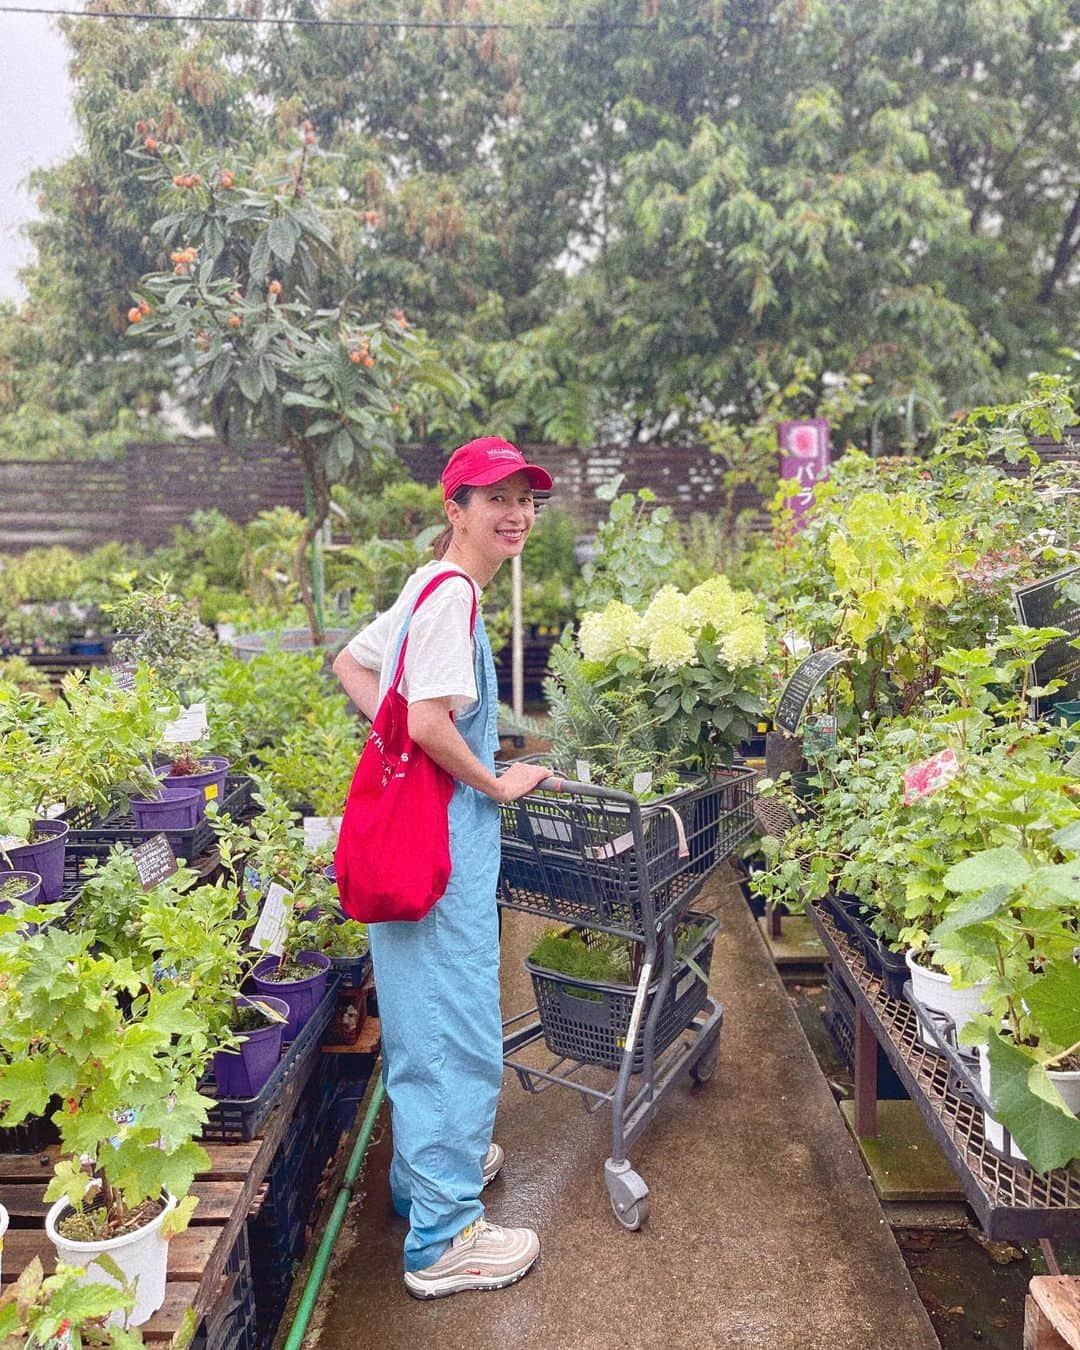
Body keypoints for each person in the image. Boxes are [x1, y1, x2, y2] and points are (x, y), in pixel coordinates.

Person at [332, 436, 554, 1299]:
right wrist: (496, 781)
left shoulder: (425, 585)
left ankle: (422, 1180)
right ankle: (443, 1240)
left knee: (425, 1023)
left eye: (526, 498)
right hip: (440, 849)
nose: (516, 513)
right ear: (453, 509)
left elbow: (354, 665)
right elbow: (426, 721)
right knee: (457, 1035)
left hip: (418, 839)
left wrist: (401, 743)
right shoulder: (452, 594)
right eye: (494, 497)